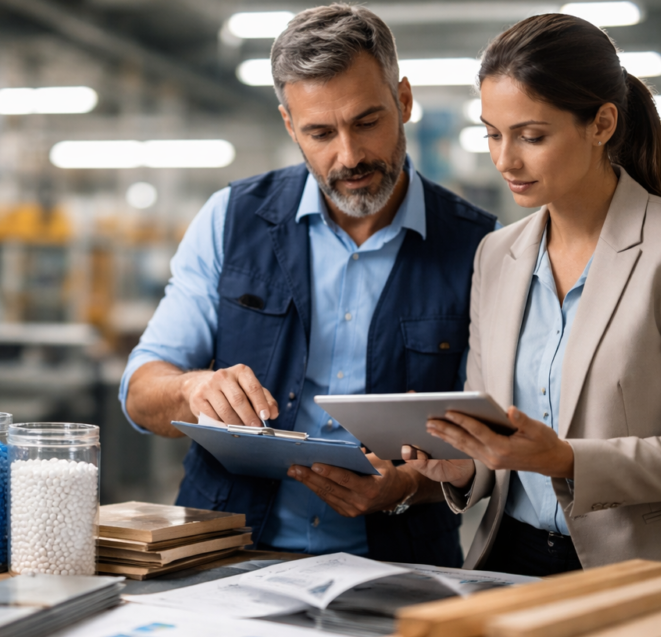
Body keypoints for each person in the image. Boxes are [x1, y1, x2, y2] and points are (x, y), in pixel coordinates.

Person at [120, 4, 496, 564]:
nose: (349, 155)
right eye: (320, 132)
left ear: (404, 101)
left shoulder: (483, 247)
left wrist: (405, 487)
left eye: (367, 122)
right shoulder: (229, 219)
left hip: (400, 565)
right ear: (289, 125)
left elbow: (492, 448)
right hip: (225, 554)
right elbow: (140, 392)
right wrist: (193, 390)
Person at [406, 13, 661, 594]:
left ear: (601, 124)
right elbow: (497, 434)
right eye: (493, 134)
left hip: (645, 573)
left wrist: (566, 459)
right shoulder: (496, 255)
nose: (505, 160)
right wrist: (465, 467)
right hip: (511, 561)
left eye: (531, 136)